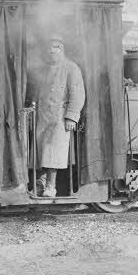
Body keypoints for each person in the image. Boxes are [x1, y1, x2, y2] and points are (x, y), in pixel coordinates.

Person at [37, 35, 85, 198]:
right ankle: (42, 180)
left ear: (62, 50)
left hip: (60, 117)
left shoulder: (71, 68)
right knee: (41, 151)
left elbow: (77, 93)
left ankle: (51, 187)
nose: (52, 50)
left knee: (53, 152)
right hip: (43, 117)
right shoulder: (44, 69)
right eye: (50, 47)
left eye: (56, 47)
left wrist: (71, 117)